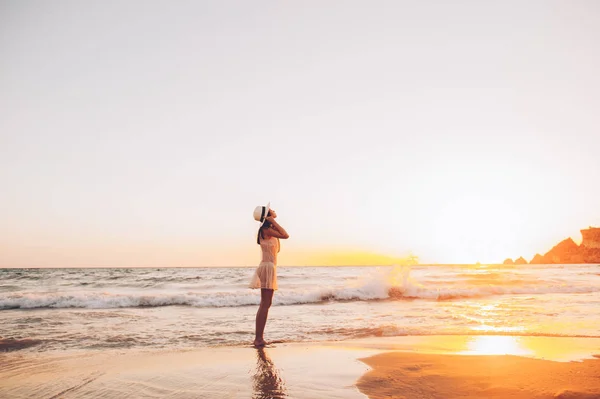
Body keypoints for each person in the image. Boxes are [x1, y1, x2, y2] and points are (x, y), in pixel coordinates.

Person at [250, 203, 289, 347]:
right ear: (267, 215)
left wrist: (272, 221)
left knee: (266, 303)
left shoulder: (268, 230)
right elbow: (286, 235)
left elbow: (282, 237)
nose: (274, 210)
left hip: (268, 267)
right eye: (271, 210)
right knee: (265, 304)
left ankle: (259, 337)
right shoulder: (266, 229)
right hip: (267, 267)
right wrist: (272, 221)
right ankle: (258, 339)